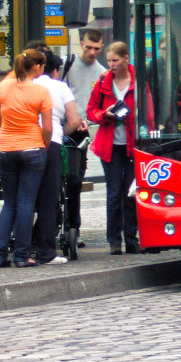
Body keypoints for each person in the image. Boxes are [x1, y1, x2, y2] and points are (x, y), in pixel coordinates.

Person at [87, 41, 152, 255]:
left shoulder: (138, 82)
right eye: (109, 61)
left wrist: (143, 127)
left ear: (126, 59)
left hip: (133, 144)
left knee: (131, 193)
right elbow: (91, 110)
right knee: (114, 192)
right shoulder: (103, 81)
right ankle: (114, 240)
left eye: (115, 60)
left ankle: (131, 238)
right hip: (110, 144)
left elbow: (148, 111)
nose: (111, 65)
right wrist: (104, 115)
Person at [0, 49, 52, 268]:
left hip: (6, 149)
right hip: (32, 149)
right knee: (26, 203)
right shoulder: (40, 91)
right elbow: (48, 127)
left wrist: (4, 134)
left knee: (9, 203)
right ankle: (21, 255)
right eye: (42, 67)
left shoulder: (5, 86)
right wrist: (43, 146)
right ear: (37, 68)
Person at [31, 50, 80, 266]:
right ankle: (46, 251)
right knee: (49, 199)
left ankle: (20, 248)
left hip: (26, 143)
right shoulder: (60, 87)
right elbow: (74, 120)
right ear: (55, 70)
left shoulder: (25, 84)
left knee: (24, 199)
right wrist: (62, 132)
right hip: (52, 143)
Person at [62, 29, 106, 239]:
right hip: (61, 126)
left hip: (82, 131)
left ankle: (73, 228)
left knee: (75, 180)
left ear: (102, 48)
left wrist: (89, 122)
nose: (92, 52)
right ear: (81, 44)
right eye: (88, 47)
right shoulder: (66, 64)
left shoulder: (101, 72)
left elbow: (99, 105)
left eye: (96, 48)